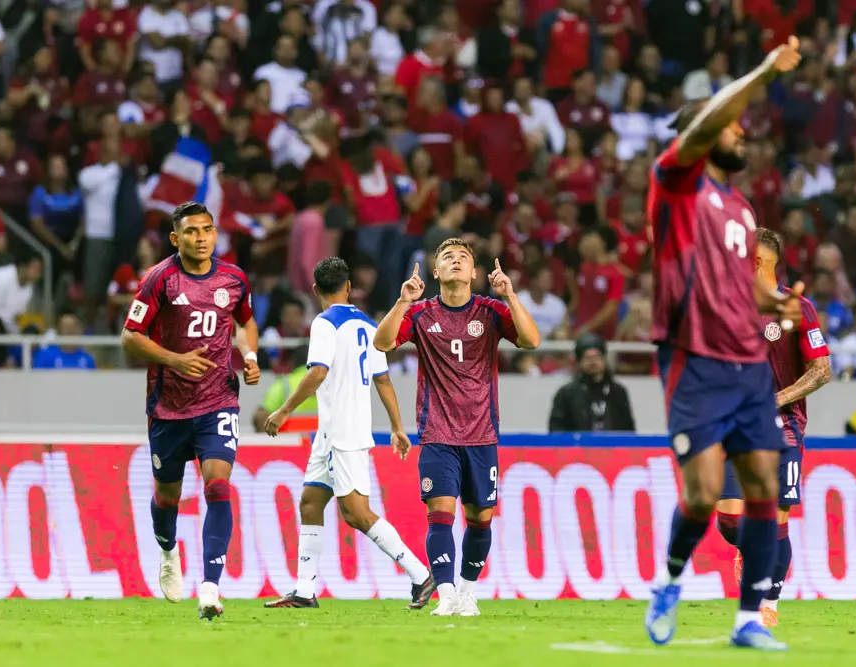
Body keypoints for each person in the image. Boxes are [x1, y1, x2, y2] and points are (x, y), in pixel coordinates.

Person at [644, 37, 803, 651]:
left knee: (763, 487)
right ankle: (669, 581)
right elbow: (711, 120)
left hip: (747, 365)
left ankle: (747, 619)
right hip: (695, 359)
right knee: (705, 493)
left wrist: (775, 303)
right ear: (705, 134)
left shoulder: (740, 207)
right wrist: (763, 72)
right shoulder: (676, 182)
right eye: (733, 128)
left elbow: (742, 284)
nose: (743, 135)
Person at [372, 241, 541, 616]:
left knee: (480, 519)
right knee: (440, 514)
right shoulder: (420, 313)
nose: (456, 261)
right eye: (447, 257)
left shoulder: (491, 311)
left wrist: (510, 296)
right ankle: (446, 595)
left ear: (474, 273)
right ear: (436, 272)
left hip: (482, 435)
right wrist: (402, 301)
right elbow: (382, 343)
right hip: (438, 433)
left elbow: (531, 341)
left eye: (463, 257)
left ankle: (467, 592)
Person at [261, 257, 436, 610]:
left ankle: (420, 575)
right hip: (332, 433)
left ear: (315, 289)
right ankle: (305, 590)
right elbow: (383, 380)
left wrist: (284, 411)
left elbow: (317, 373)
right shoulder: (370, 325)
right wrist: (397, 426)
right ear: (349, 287)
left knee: (357, 514)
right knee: (311, 502)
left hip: (343, 433)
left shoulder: (324, 323)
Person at [120, 202, 261, 621]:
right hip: (168, 406)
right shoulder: (159, 279)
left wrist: (250, 355)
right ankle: (168, 551)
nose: (201, 238)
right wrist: (175, 360)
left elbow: (245, 322)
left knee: (217, 485)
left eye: (207, 230)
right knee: (168, 495)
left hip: (219, 400)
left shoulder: (234, 278)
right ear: (175, 238)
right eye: (192, 231)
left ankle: (210, 588)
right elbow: (130, 336)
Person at [714, 228, 832, 628]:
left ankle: (769, 604)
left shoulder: (797, 308)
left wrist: (775, 399)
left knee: (777, 519)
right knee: (730, 520)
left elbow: (821, 371)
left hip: (784, 428)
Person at [548, 333, 635, 432]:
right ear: (579, 362)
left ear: (604, 359)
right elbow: (556, 430)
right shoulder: (566, 394)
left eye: (597, 356)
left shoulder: (618, 392)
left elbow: (629, 430)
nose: (593, 362)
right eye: (588, 358)